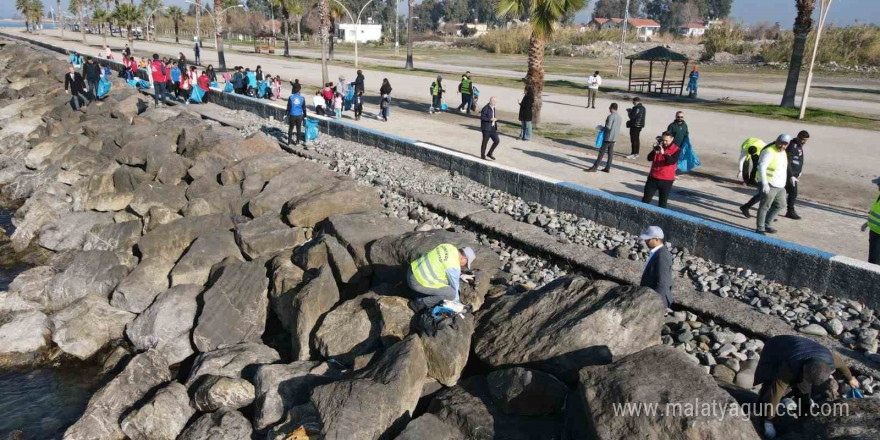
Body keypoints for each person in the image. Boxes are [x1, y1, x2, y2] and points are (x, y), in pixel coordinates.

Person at [755, 335, 859, 440]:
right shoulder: (789, 368)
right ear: (804, 370)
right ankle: (760, 412)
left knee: (803, 388)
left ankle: (803, 417)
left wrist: (850, 378)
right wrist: (768, 421)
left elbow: (841, 364)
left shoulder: (829, 359)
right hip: (775, 347)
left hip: (804, 352)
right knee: (769, 383)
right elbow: (776, 391)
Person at [407, 244, 476, 310]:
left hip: (412, 269)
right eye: (465, 264)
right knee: (451, 294)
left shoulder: (447, 246)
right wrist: (457, 304)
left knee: (446, 280)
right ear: (463, 259)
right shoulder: (454, 266)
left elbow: (440, 263)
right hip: (416, 282)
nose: (463, 266)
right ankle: (419, 304)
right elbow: (455, 288)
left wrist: (460, 275)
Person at [739, 134, 790, 218]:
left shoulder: (767, 146)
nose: (783, 146)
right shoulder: (768, 149)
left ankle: (746, 207)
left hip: (773, 177)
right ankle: (764, 216)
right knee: (766, 197)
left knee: (763, 196)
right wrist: (740, 171)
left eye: (785, 144)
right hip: (767, 178)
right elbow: (743, 161)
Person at [753, 134, 791, 235]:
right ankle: (760, 228)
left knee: (781, 204)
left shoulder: (783, 152)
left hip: (780, 185)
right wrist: (765, 183)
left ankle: (767, 224)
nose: (782, 146)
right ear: (777, 141)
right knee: (765, 206)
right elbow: (762, 167)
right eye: (781, 143)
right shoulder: (769, 151)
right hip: (770, 184)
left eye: (785, 144)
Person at [642, 132, 681, 208]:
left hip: (666, 180)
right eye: (663, 140)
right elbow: (649, 158)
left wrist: (664, 153)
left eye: (667, 140)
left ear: (672, 139)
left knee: (662, 203)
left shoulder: (676, 149)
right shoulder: (659, 146)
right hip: (653, 177)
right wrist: (654, 150)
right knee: (645, 200)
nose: (664, 142)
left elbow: (672, 161)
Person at [638, 226, 673, 307]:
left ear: (657, 239)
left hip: (657, 302)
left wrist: (653, 303)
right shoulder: (656, 252)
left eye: (648, 239)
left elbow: (662, 283)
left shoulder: (662, 255)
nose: (645, 241)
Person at [586, 103, 622, 173]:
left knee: (601, 153)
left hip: (608, 137)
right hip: (614, 138)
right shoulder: (619, 117)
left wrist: (601, 128)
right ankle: (607, 168)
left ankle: (595, 167)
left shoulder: (610, 116)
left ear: (611, 108)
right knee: (610, 153)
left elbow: (608, 127)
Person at [785, 130, 810, 220]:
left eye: (806, 140)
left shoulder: (799, 145)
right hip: (789, 174)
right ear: (798, 137)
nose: (804, 142)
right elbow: (787, 161)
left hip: (794, 175)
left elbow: (798, 160)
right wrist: (791, 175)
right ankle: (790, 211)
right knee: (793, 193)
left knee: (781, 192)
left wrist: (799, 172)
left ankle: (748, 206)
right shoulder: (793, 146)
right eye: (803, 140)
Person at [862, 176, 880, 265]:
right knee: (872, 261)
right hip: (874, 232)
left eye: (879, 184)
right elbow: (876, 212)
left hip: (878, 234)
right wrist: (868, 223)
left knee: (874, 263)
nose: (877, 185)